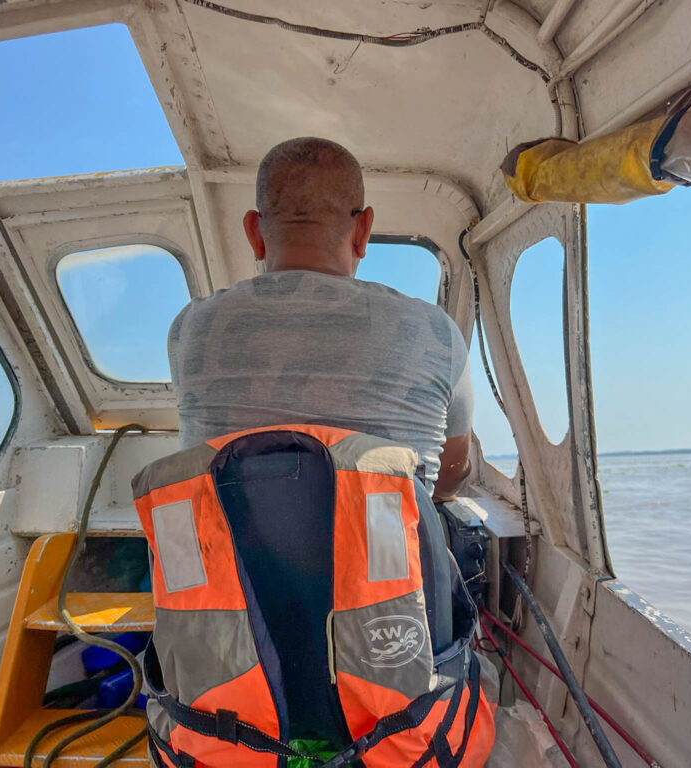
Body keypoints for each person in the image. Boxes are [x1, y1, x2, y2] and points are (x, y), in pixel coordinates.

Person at [167, 137, 473, 501]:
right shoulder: (436, 332)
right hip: (381, 560)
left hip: (221, 560)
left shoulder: (190, 329)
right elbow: (449, 476)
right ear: (363, 231)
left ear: (254, 233)